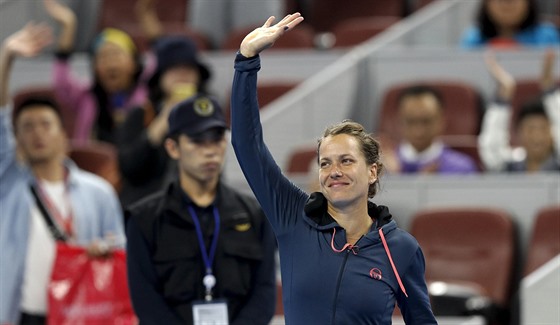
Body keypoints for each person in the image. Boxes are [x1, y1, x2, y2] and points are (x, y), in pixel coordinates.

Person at [230, 13, 437, 324]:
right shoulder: (292, 217)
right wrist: (246, 61)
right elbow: (247, 146)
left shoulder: (401, 249)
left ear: (373, 172)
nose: (333, 171)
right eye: (325, 163)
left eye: (346, 161)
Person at [0, 23, 125, 325]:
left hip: (79, 312)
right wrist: (6, 58)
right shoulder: (8, 185)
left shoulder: (98, 191)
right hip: (20, 313)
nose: (37, 134)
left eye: (45, 124)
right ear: (16, 138)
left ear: (63, 133)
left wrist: (105, 249)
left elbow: (120, 248)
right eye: (27, 127)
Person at [125, 94, 277, 325]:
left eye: (216, 139)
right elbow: (147, 302)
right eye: (197, 140)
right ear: (173, 148)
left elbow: (264, 293)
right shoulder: (145, 219)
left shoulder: (254, 214)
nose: (210, 151)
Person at [116, 35, 211, 208]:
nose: (182, 75)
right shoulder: (140, 114)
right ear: (160, 77)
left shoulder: (210, 115)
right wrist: (164, 119)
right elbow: (130, 167)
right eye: (174, 69)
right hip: (146, 209)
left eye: (188, 68)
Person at [43, 0, 150, 143]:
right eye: (103, 57)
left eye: (116, 55)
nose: (111, 63)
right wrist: (69, 26)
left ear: (134, 63)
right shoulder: (87, 97)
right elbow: (62, 82)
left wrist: (145, 13)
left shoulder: (147, 94)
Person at [479, 50, 559, 172]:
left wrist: (549, 90)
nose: (537, 137)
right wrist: (504, 95)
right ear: (519, 133)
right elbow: (492, 150)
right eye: (530, 129)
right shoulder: (510, 168)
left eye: (543, 129)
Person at [384, 85, 479, 174]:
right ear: (399, 121)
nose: (418, 132)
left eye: (426, 121)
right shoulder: (381, 169)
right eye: (410, 121)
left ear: (442, 120)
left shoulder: (461, 169)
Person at [461, 0, 560, 49]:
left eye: (512, 0)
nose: (506, 5)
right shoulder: (473, 38)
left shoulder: (547, 36)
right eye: (500, 0)